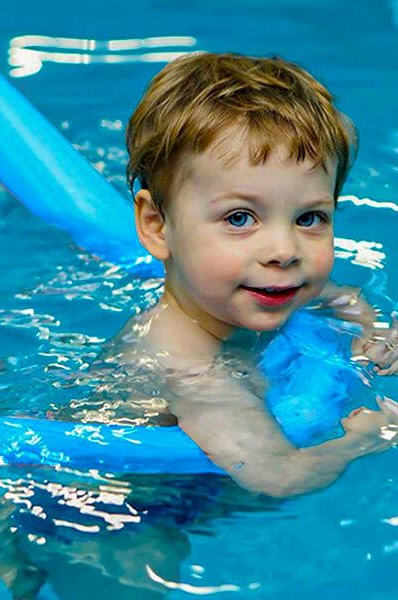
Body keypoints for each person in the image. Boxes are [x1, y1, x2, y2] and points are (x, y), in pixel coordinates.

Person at [112, 51, 398, 498]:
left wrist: (373, 330)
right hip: (120, 508)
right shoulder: (186, 366)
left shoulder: (276, 289)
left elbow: (341, 296)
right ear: (156, 225)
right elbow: (280, 476)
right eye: (240, 218)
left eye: (309, 218)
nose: (284, 252)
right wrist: (362, 441)